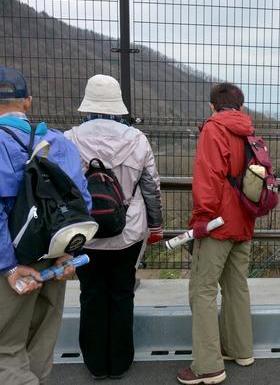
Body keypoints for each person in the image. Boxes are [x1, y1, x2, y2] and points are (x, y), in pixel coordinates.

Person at [64, 74, 164, 380]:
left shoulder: (69, 140)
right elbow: (150, 188)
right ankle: (119, 363)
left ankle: (95, 364)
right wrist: (156, 224)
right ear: (118, 105)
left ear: (88, 104)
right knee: (122, 293)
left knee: (91, 293)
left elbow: (60, 188)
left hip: (84, 234)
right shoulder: (137, 139)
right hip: (127, 233)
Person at [0, 66, 91, 384]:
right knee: (40, 344)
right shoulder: (58, 142)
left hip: (12, 261)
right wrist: (66, 254)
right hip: (55, 257)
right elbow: (82, 204)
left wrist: (9, 267)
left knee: (6, 351)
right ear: (27, 102)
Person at [177, 83, 256, 385]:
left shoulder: (213, 129)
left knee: (203, 290)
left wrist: (201, 221)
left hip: (217, 224)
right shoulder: (249, 131)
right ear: (240, 107)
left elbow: (207, 179)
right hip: (245, 221)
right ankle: (240, 349)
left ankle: (208, 367)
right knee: (236, 285)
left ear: (212, 106)